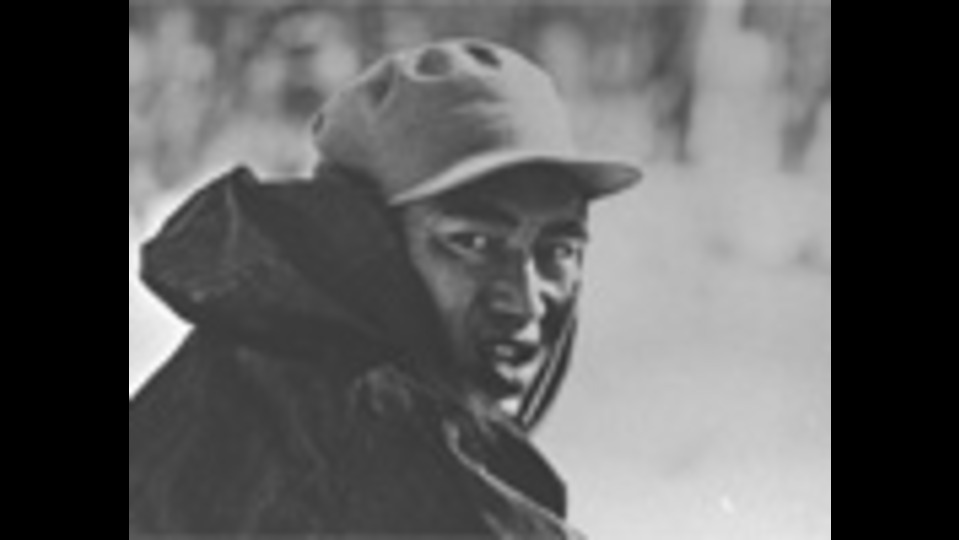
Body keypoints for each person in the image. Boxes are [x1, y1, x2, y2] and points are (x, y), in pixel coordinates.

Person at [129, 38, 641, 538]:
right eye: (474, 243)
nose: (525, 300)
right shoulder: (359, 454)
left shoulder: (241, 377)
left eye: (558, 250)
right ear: (359, 239)